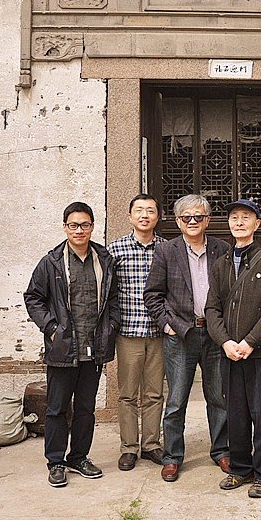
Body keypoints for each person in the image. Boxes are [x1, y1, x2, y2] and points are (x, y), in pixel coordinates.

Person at [24, 202, 120, 488]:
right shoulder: (51, 262)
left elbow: (114, 298)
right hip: (63, 348)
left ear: (92, 226)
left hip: (94, 348)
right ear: (65, 227)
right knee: (56, 409)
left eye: (85, 225)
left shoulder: (104, 259)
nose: (79, 230)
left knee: (86, 409)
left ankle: (79, 457)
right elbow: (33, 298)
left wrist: (112, 326)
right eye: (74, 225)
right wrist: (51, 328)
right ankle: (55, 462)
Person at [206, 199, 261, 498]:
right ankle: (240, 467)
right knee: (236, 412)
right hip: (230, 353)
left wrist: (250, 341)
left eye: (245, 217)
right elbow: (212, 308)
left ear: (257, 224)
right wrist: (225, 341)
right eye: (234, 217)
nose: (239, 222)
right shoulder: (220, 264)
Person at [144, 194, 229, 482]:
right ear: (178, 221)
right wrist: (168, 325)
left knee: (218, 397)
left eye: (198, 216)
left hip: (215, 334)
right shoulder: (167, 251)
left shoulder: (222, 248)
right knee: (176, 400)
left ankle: (222, 450)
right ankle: (172, 457)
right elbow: (153, 295)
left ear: (207, 219)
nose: (193, 221)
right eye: (186, 217)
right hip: (180, 335)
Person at [108, 194, 165, 471]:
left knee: (155, 393)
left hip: (159, 332)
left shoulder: (167, 248)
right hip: (128, 332)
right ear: (130, 216)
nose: (145, 215)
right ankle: (129, 447)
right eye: (139, 210)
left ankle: (151, 444)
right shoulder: (114, 249)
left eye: (150, 211)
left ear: (158, 216)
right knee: (128, 394)